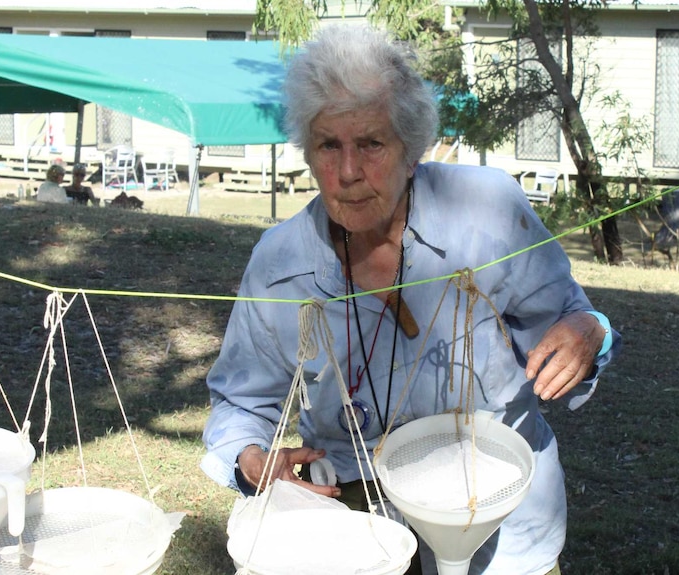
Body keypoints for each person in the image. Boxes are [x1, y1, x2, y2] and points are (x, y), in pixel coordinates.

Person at [201, 25, 621, 575]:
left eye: (371, 143)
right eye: (329, 145)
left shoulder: (488, 211)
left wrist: (591, 333)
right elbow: (240, 400)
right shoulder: (280, 264)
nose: (348, 172)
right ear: (308, 151)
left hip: (496, 516)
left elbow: (575, 321)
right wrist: (250, 458)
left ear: (411, 150)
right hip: (355, 533)